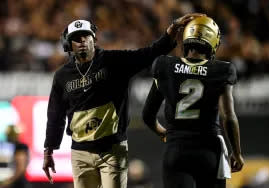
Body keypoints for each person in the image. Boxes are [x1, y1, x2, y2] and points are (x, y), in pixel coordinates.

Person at [42, 13, 206, 188]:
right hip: (80, 152)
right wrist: (49, 150)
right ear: (68, 44)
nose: (82, 40)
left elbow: (149, 53)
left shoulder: (113, 61)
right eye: (76, 38)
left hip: (112, 149)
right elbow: (55, 115)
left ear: (94, 39)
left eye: (86, 36)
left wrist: (171, 31)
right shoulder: (62, 76)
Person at [142, 16, 244, 188]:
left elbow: (147, 115)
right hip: (209, 151)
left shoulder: (164, 64)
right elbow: (229, 116)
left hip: (176, 149)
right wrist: (237, 152)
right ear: (213, 42)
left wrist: (163, 133)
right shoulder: (222, 70)